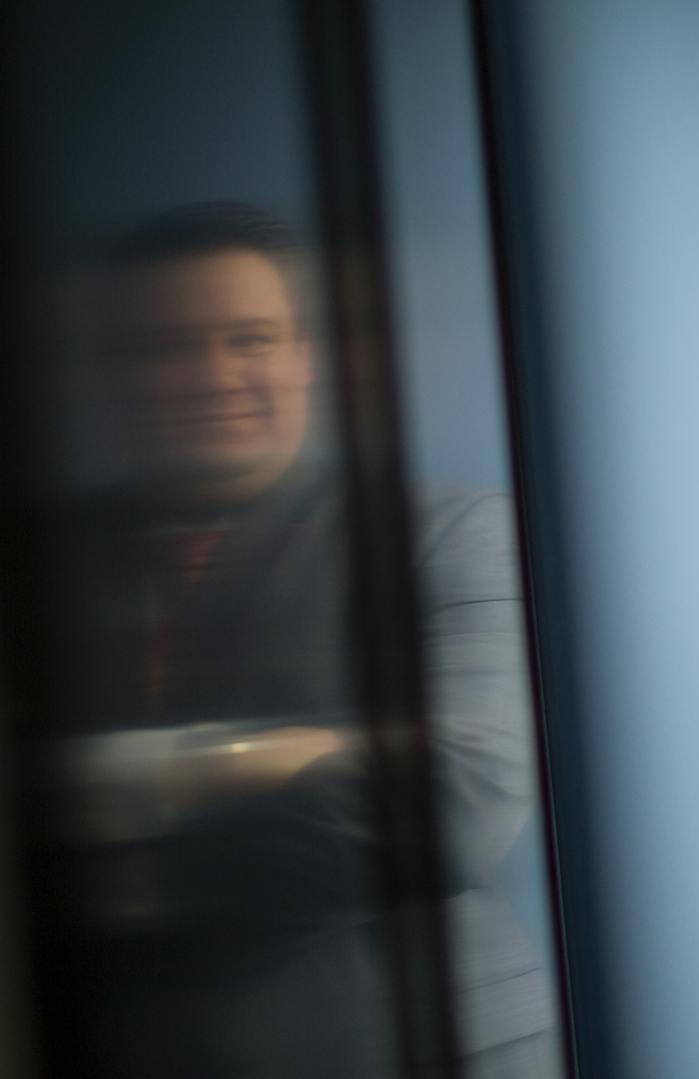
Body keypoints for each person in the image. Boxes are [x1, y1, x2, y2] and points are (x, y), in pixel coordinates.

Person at [37, 203, 555, 1078]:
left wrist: (107, 872)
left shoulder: (450, 536)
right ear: (112, 375)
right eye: (167, 347)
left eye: (250, 338)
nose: (212, 374)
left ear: (306, 357)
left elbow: (450, 805)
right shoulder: (34, 562)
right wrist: (277, 757)